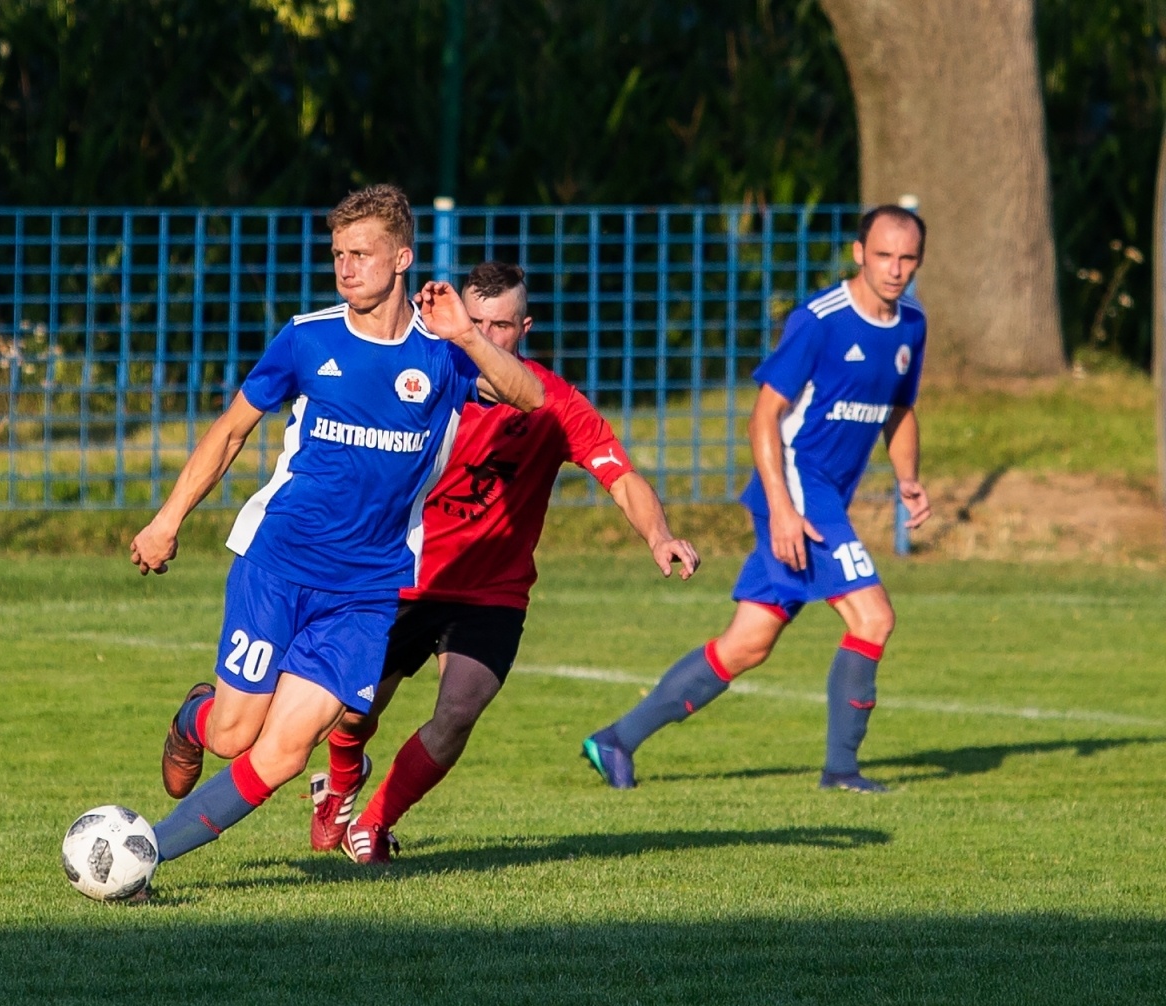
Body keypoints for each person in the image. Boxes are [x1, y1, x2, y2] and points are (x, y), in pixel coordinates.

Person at [129, 185, 545, 885]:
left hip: (366, 590)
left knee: (287, 752)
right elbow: (230, 432)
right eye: (338, 254)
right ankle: (193, 718)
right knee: (233, 735)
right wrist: (166, 521)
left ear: (402, 258)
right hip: (277, 566)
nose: (346, 268)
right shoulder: (307, 337)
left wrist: (469, 335)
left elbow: (530, 397)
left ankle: (145, 857)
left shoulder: (443, 352)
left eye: (361, 254)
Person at [309, 261, 701, 864]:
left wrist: (659, 535)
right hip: (403, 577)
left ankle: (375, 822)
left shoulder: (552, 400)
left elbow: (620, 475)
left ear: (525, 328)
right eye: (476, 323)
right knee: (353, 710)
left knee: (458, 712)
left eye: (501, 326)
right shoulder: (424, 380)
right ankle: (342, 778)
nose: (486, 337)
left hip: (492, 593)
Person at [582, 205, 932, 794]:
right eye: (883, 256)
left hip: (823, 497)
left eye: (907, 258)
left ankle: (617, 739)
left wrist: (908, 479)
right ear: (858, 254)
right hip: (797, 489)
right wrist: (784, 508)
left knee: (747, 644)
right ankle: (842, 771)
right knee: (874, 617)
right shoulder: (819, 321)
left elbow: (899, 409)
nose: (895, 269)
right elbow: (763, 417)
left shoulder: (911, 326)